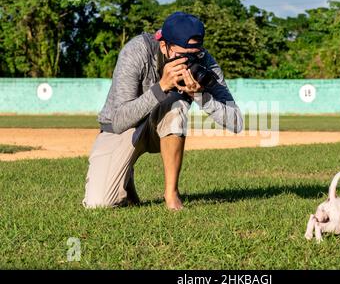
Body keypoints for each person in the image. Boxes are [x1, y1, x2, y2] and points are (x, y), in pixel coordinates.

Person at [82, 12, 243, 210]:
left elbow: (236, 123)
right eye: (182, 55)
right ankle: (125, 172)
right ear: (163, 45)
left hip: (163, 128)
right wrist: (161, 87)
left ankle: (171, 194)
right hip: (123, 129)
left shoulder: (204, 61)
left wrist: (200, 96)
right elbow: (118, 121)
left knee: (176, 104)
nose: (188, 61)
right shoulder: (137, 51)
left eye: (195, 54)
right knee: (99, 204)